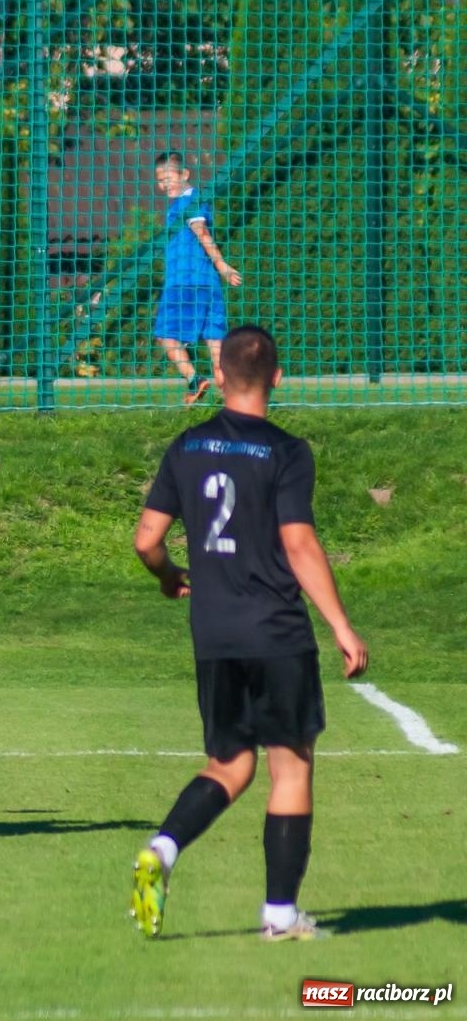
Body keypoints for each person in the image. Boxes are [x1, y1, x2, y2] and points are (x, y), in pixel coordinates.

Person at [130, 324, 367, 941]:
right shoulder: (288, 452)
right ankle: (281, 916)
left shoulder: (187, 446)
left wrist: (166, 576)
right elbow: (298, 542)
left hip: (214, 633)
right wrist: (340, 624)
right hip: (278, 632)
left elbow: (146, 541)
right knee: (290, 768)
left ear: (222, 377)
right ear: (277, 379)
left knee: (229, 763)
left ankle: (162, 849)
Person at [154, 151, 243, 405]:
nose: (165, 184)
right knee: (215, 340)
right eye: (160, 180)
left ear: (185, 174)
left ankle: (194, 379)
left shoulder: (190, 202)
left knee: (164, 334)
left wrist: (222, 264)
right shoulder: (190, 202)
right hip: (208, 283)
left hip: (184, 283)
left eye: (169, 177)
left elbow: (202, 233)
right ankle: (233, 401)